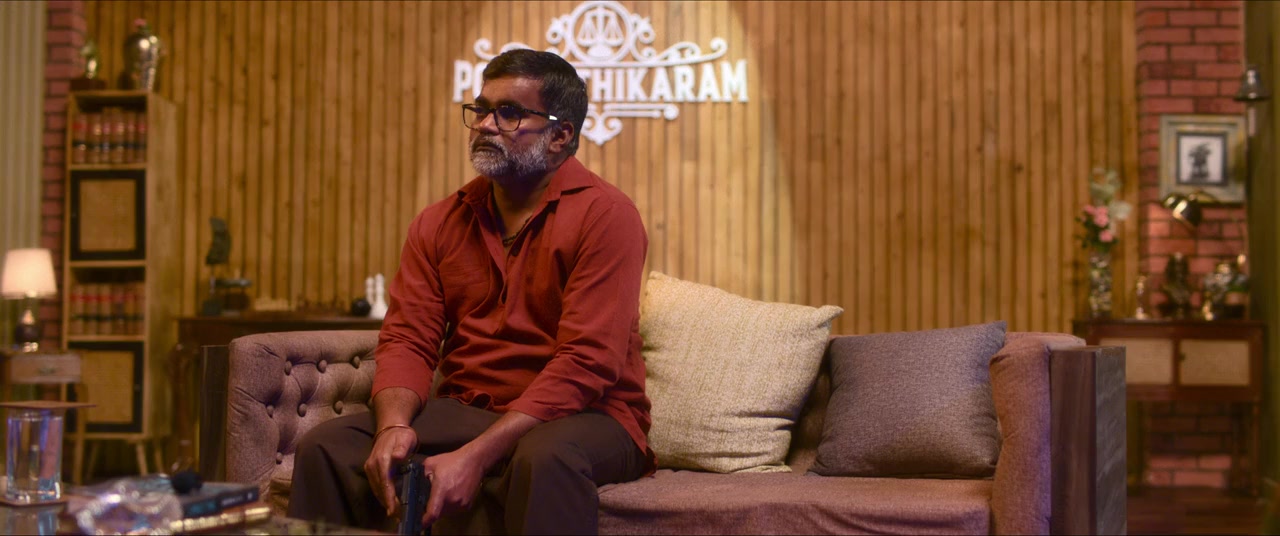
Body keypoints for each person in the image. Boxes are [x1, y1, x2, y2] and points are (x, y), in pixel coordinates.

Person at [287, 49, 653, 534]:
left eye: (508, 113)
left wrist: (477, 456)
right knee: (327, 447)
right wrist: (394, 425)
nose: (484, 124)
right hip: (468, 408)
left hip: (591, 417)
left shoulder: (607, 216)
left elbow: (586, 362)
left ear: (560, 135)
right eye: (481, 109)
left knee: (546, 457)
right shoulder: (440, 221)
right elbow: (408, 338)